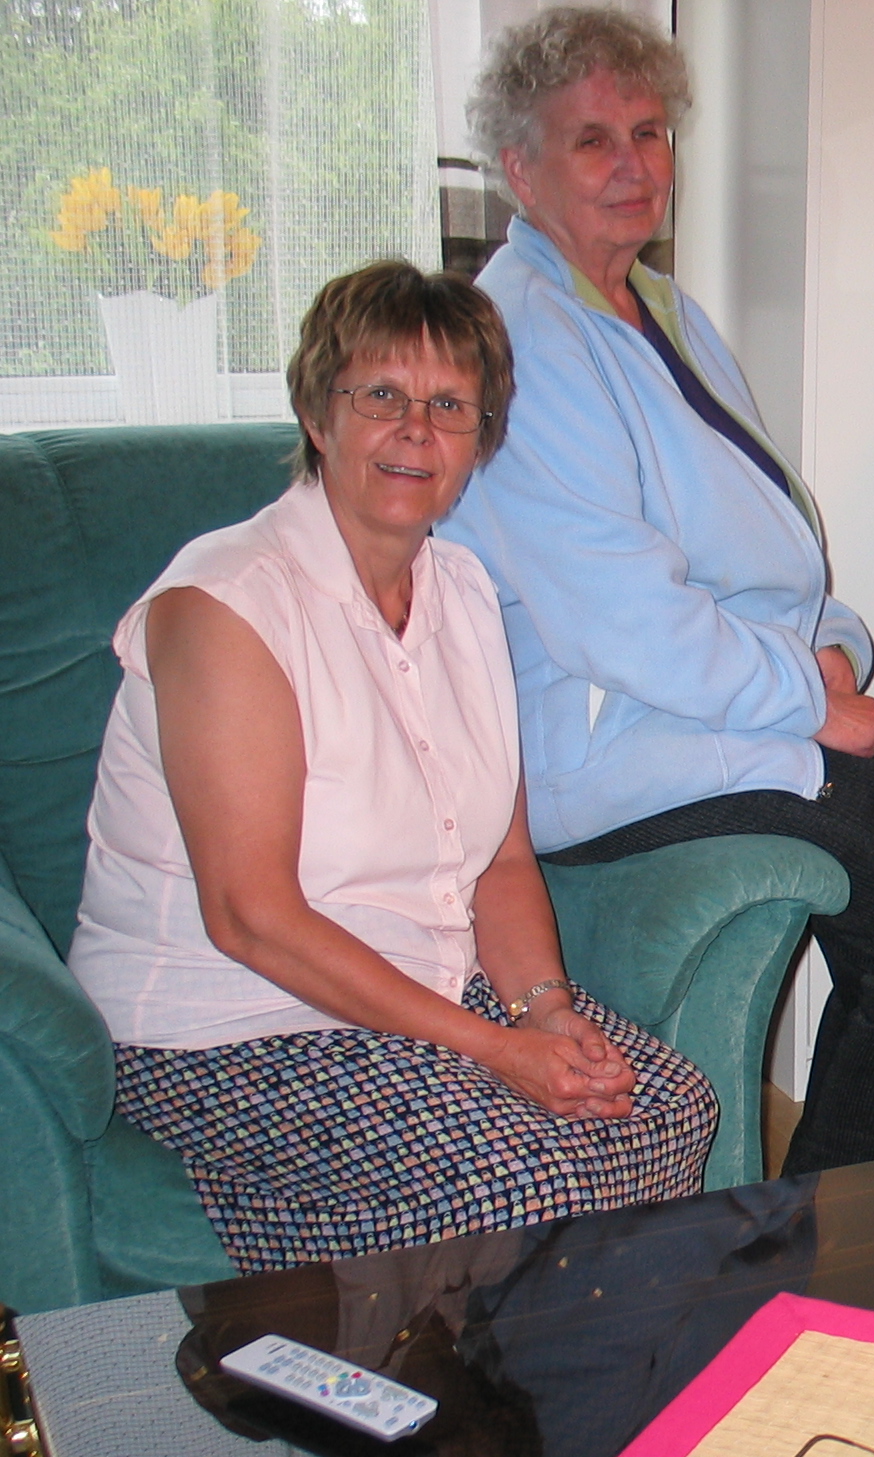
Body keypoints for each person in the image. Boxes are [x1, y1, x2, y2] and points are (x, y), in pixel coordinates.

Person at [442, 6, 874, 1173]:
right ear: (519, 167)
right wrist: (809, 700)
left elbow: (767, 542)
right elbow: (618, 615)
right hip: (616, 741)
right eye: (593, 140)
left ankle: (830, 1222)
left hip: (710, 706)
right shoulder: (523, 337)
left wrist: (833, 648)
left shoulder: (654, 306)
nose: (634, 165)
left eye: (650, 133)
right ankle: (828, 1241)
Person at [69, 260, 718, 1272]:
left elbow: (501, 862)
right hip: (224, 1028)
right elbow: (249, 917)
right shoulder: (226, 604)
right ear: (317, 415)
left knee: (673, 1107)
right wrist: (498, 1050)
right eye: (381, 395)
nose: (417, 430)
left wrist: (545, 1011)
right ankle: (433, 1370)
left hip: (423, 992)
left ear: (479, 440)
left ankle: (554, 1365)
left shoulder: (464, 592)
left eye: (450, 406)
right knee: (533, 1179)